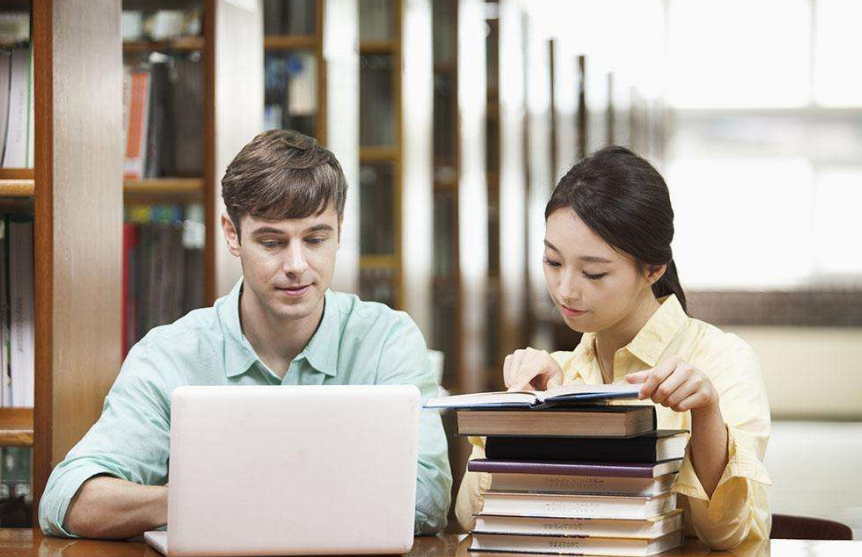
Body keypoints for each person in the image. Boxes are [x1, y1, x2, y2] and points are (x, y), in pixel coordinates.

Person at [39, 130, 452, 539]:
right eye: (272, 241)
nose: (296, 264)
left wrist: (253, 497)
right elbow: (68, 500)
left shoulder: (387, 341)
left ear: (340, 230)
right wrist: (191, 499)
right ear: (232, 234)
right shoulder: (170, 354)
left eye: (315, 239)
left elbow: (429, 499)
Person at [454, 146, 771, 550]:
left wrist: (706, 414)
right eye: (552, 262)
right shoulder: (556, 374)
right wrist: (518, 415)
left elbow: (722, 536)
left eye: (594, 272)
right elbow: (470, 518)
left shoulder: (722, 360)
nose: (565, 290)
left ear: (653, 269)